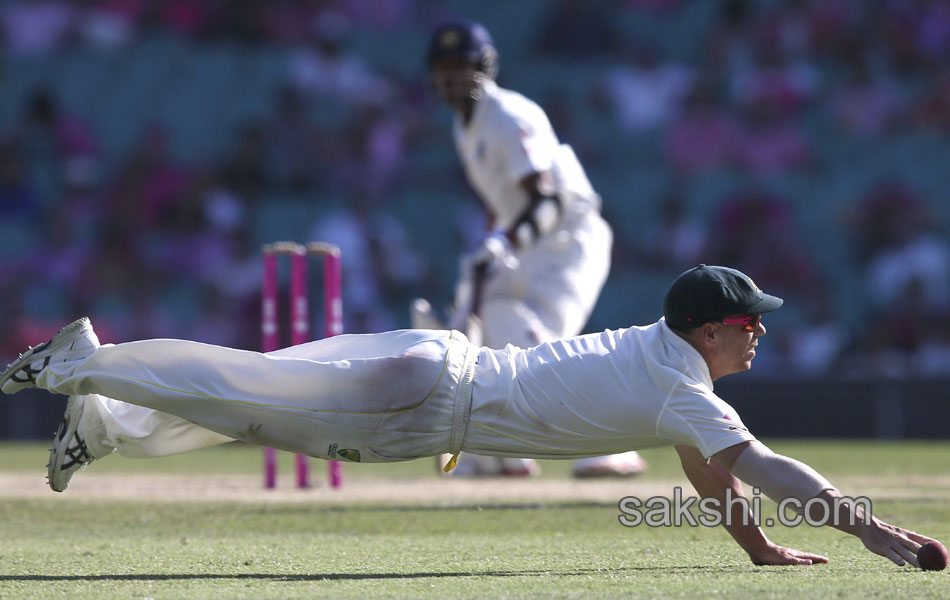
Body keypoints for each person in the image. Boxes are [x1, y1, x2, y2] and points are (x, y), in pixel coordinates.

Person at [0, 265, 935, 568]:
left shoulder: (668, 367)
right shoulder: (682, 387)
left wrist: (760, 552)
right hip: (423, 409)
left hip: (435, 353)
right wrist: (875, 535)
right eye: (748, 324)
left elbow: (717, 477)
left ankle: (105, 422)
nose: (758, 337)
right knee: (244, 400)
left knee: (258, 382)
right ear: (706, 328)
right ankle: (85, 363)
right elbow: (769, 470)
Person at [414, 19, 644, 478]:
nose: (451, 78)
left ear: (486, 68)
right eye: (443, 69)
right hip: (529, 244)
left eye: (462, 67)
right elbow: (507, 203)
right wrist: (492, 245)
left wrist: (503, 242)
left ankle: (606, 448)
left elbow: (548, 200)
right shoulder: (466, 126)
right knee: (492, 323)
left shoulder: (508, 115)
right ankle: (503, 453)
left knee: (543, 348)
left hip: (569, 239)